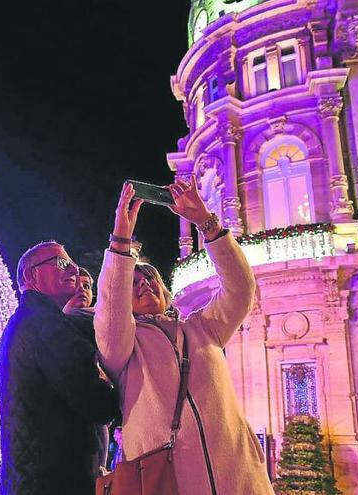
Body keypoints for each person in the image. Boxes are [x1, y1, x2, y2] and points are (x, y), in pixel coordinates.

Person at [93, 180, 274, 494]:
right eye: (133, 282)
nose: (144, 284)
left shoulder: (202, 328)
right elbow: (109, 315)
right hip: (168, 482)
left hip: (238, 479)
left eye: (150, 279)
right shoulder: (122, 347)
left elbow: (241, 289)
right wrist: (120, 241)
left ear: (165, 293)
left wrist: (206, 222)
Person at [0, 241, 119, 495]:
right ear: (32, 276)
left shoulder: (28, 321)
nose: (73, 270)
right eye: (62, 263)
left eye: (73, 264)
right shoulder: (46, 324)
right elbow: (95, 401)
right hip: (55, 481)